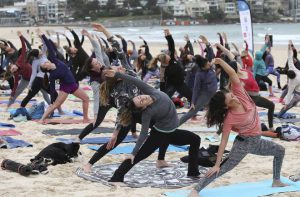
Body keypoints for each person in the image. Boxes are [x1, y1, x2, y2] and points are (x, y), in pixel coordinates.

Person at [188, 57, 287, 197]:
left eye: (231, 95)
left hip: (257, 141)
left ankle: (276, 180)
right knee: (221, 170)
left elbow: (233, 74)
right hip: (243, 145)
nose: (234, 97)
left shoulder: (240, 94)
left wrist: (220, 62)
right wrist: (217, 163)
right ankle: (195, 190)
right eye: (231, 98)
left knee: (280, 150)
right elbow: (223, 141)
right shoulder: (230, 119)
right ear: (225, 106)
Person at [105, 69, 201, 184]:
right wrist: (133, 152)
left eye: (140, 97)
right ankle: (117, 177)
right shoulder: (147, 113)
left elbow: (134, 80)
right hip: (159, 135)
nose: (143, 98)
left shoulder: (150, 91)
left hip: (172, 132)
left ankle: (193, 172)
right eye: (141, 102)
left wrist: (117, 74)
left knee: (196, 139)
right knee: (139, 156)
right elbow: (143, 134)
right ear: (143, 108)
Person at [38, 30, 89, 123]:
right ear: (47, 68)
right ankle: (42, 119)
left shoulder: (54, 60)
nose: (45, 62)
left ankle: (86, 118)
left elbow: (50, 47)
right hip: (65, 88)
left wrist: (43, 36)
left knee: (86, 99)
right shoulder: (52, 75)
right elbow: (52, 89)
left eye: (45, 62)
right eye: (44, 64)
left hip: (73, 85)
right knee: (55, 105)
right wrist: (53, 100)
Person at [179, 55, 217, 125]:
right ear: (202, 67)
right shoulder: (199, 74)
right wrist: (193, 102)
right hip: (205, 95)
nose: (209, 64)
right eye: (207, 64)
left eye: (208, 62)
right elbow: (196, 89)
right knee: (192, 112)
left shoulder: (210, 67)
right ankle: (175, 125)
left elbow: (211, 56)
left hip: (214, 94)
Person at [277, 41, 300, 118]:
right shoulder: (293, 68)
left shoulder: (292, 82)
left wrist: (286, 104)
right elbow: (290, 56)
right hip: (298, 92)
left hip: (298, 94)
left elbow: (289, 94)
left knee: (289, 105)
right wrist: (289, 47)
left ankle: (280, 115)